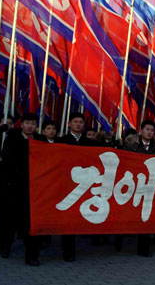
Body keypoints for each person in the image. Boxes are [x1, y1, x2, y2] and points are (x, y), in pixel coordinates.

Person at [0, 113, 42, 266]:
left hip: (34, 188)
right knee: (9, 220)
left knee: (32, 222)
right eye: (27, 123)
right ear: (21, 125)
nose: (30, 126)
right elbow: (7, 160)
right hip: (14, 187)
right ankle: (4, 246)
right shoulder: (12, 138)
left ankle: (32, 255)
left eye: (33, 123)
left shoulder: (39, 140)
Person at [56, 112, 97, 262]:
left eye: (81, 122)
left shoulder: (91, 143)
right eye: (75, 122)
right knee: (68, 220)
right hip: (67, 186)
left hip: (86, 185)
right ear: (69, 124)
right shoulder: (61, 142)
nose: (78, 124)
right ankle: (68, 251)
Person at [115, 120, 155, 257]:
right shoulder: (130, 145)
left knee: (145, 217)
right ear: (141, 130)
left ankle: (144, 248)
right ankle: (118, 239)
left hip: (148, 186)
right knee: (126, 216)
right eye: (147, 129)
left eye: (152, 130)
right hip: (132, 185)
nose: (149, 132)